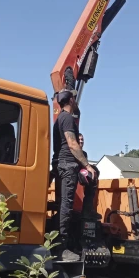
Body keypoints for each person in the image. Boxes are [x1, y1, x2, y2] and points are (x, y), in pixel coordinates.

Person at [52, 89, 97, 261]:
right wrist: (87, 165)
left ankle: (60, 241)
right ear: (71, 100)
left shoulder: (59, 119)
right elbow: (72, 144)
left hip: (60, 163)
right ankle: (61, 247)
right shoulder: (68, 119)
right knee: (66, 205)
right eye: (74, 98)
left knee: (63, 204)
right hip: (68, 164)